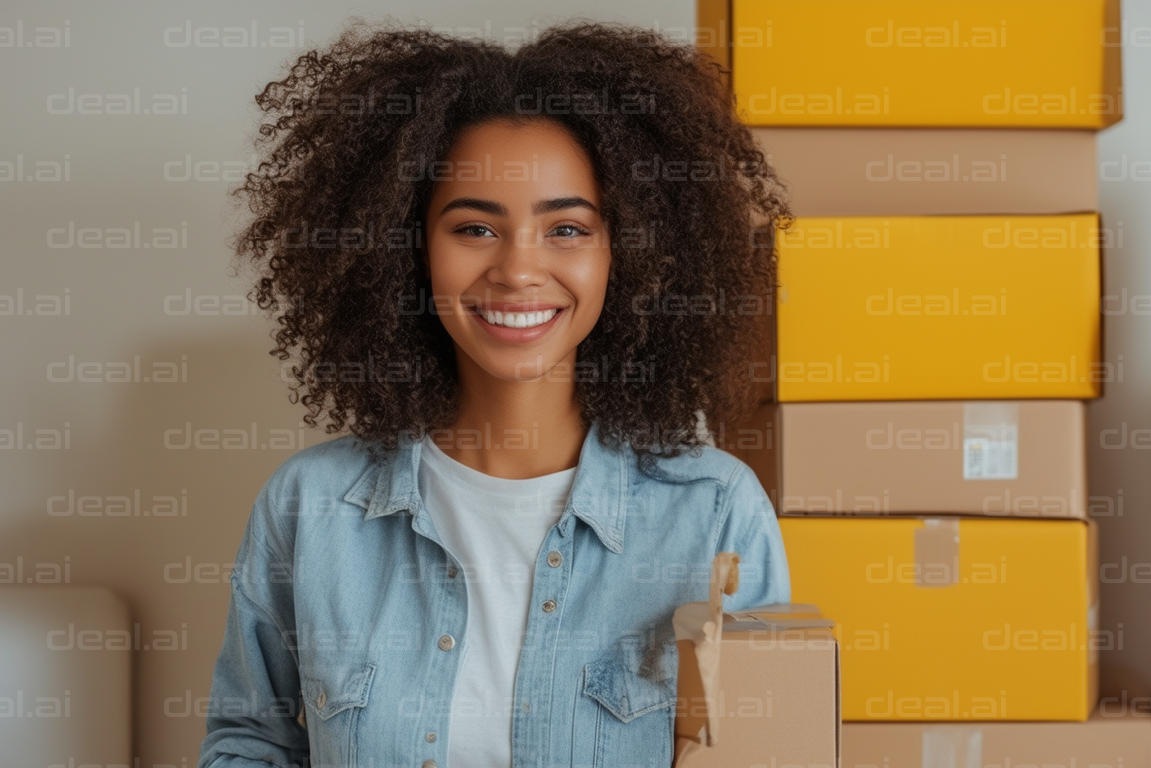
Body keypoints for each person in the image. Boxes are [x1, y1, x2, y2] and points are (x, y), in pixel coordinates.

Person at [198, 18, 793, 768]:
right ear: (407, 248)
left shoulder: (713, 511)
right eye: (475, 228)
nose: (517, 270)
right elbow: (250, 744)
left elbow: (769, 749)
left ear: (629, 251)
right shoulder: (308, 508)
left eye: (567, 230)